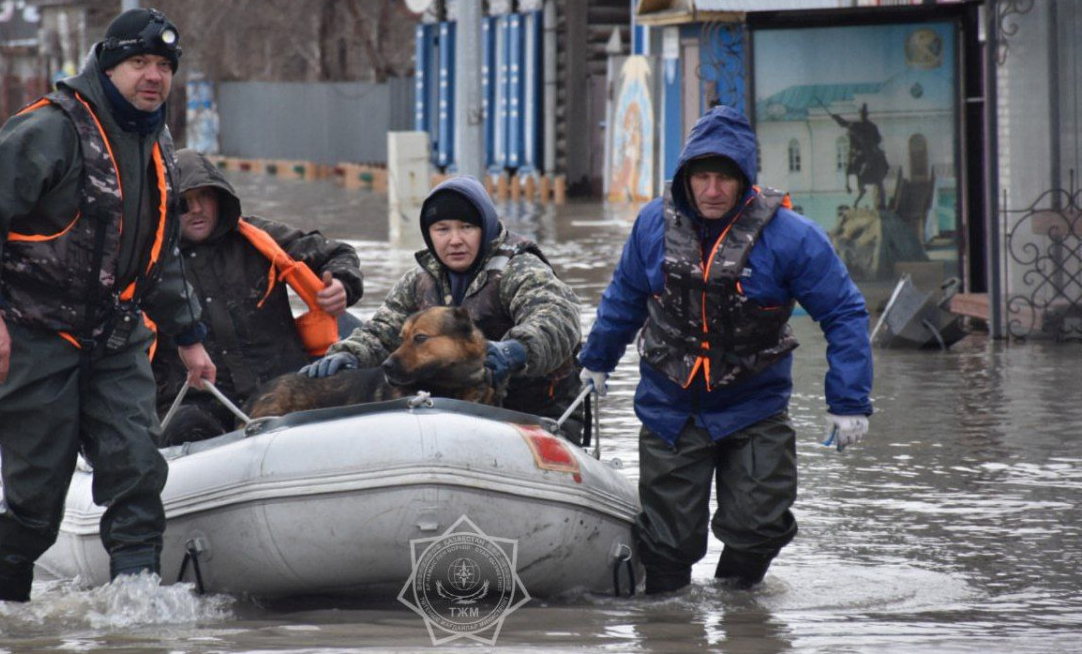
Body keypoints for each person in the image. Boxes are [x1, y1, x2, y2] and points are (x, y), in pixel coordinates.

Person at [0, 8, 216, 604]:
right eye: (139, 62)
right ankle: (4, 615)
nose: (154, 77)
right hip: (32, 335)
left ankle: (136, 619)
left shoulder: (157, 139)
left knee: (138, 474)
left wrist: (189, 338)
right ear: (108, 65)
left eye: (164, 66)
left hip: (116, 338)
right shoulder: (48, 130)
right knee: (36, 501)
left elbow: (159, 254)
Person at [577, 106, 873, 593]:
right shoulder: (653, 225)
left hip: (753, 404)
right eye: (703, 178)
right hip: (670, 404)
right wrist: (595, 361)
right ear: (686, 179)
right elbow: (625, 296)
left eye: (725, 180)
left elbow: (843, 312)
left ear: (745, 182)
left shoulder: (791, 238)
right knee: (667, 542)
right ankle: (671, 628)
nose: (712, 191)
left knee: (761, 526)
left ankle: (739, 613)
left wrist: (849, 402)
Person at [303, 175, 586, 439]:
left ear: (485, 227)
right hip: (453, 412)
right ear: (429, 234)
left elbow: (558, 318)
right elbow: (382, 332)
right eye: (442, 229)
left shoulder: (520, 270)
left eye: (467, 227)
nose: (455, 240)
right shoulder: (419, 281)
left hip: (535, 414)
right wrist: (348, 355)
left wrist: (514, 350)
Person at [152, 149, 364, 446]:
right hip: (200, 402)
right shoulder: (147, 260)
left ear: (221, 198)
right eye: (186, 202)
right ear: (168, 206)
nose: (197, 209)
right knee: (184, 427)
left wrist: (342, 284)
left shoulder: (259, 237)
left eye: (206, 197)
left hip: (282, 389)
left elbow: (338, 252)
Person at [828, 102, 889, 208]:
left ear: (865, 115)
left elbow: (878, 139)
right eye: (862, 114)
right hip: (866, 150)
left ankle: (855, 179)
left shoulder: (869, 126)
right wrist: (836, 118)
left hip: (867, 150)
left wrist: (869, 142)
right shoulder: (860, 125)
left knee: (864, 160)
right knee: (855, 161)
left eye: (863, 114)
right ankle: (849, 183)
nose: (862, 116)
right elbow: (844, 123)